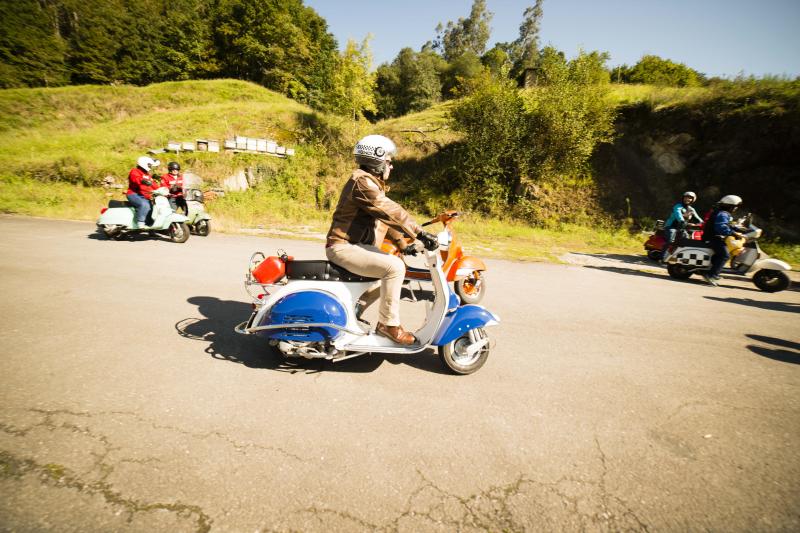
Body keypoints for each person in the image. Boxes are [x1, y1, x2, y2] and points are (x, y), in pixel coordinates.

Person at [325, 134, 437, 345]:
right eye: (388, 161)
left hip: (355, 246)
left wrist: (404, 245)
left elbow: (383, 220)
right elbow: (389, 211)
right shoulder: (362, 183)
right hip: (343, 246)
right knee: (394, 268)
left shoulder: (369, 183)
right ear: (376, 161)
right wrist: (420, 232)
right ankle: (388, 324)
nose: (391, 166)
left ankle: (355, 308)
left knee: (396, 267)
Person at [702, 194, 745, 286]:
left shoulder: (721, 212)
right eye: (735, 206)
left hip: (712, 237)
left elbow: (727, 225)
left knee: (722, 252)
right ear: (730, 206)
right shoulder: (723, 214)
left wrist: (738, 230)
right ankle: (711, 275)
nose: (736, 209)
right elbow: (721, 227)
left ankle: (714, 271)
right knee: (725, 255)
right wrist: (733, 233)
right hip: (711, 238)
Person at [661, 191, 703, 261]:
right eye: (686, 197)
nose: (687, 199)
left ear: (693, 200)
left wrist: (703, 223)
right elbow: (678, 215)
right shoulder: (678, 206)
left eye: (690, 198)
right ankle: (662, 256)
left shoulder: (691, 209)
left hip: (682, 228)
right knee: (671, 240)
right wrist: (682, 221)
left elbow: (698, 218)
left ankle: (679, 256)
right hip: (671, 227)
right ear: (683, 198)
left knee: (686, 241)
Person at [126, 156, 159, 228]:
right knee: (144, 204)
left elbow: (153, 184)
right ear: (144, 164)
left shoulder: (147, 174)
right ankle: (140, 222)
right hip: (133, 194)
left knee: (152, 206)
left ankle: (149, 223)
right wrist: (142, 180)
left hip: (142, 195)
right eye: (149, 165)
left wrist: (161, 189)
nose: (150, 166)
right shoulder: (134, 171)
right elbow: (135, 178)